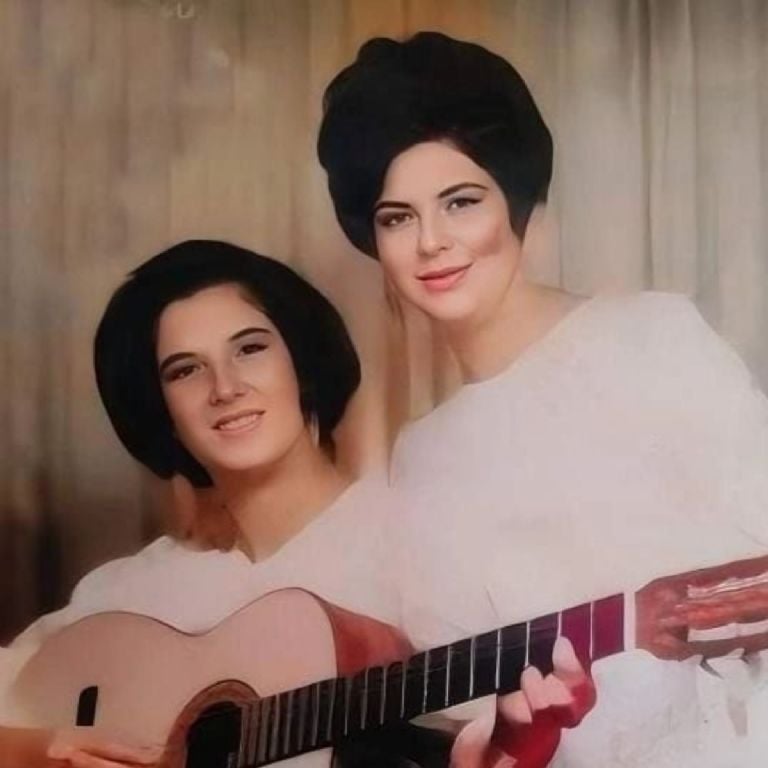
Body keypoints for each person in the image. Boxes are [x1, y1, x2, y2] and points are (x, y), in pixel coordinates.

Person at [318, 31, 768, 767]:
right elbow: (474, 731)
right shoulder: (421, 456)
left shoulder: (652, 336)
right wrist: (512, 737)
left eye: (461, 202)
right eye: (398, 217)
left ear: (516, 203)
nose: (431, 242)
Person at [0, 240, 582, 768]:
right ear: (161, 411)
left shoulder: (422, 537)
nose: (225, 387)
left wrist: (506, 752)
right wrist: (49, 752)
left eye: (250, 348)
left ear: (302, 366)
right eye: (185, 370)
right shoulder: (130, 594)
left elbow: (489, 740)